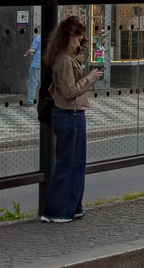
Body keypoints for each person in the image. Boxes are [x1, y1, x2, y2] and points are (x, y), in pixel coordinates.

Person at [42, 15, 103, 223]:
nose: (80, 42)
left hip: (70, 114)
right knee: (70, 164)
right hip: (70, 113)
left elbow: (80, 46)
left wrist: (84, 33)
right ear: (69, 36)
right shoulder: (65, 61)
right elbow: (69, 91)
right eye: (77, 38)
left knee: (75, 163)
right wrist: (90, 78)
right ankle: (58, 211)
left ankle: (73, 207)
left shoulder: (64, 56)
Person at [25, 27, 41, 106]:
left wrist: (27, 53)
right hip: (45, 64)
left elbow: (32, 50)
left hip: (36, 64)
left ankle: (30, 101)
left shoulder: (38, 37)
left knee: (32, 82)